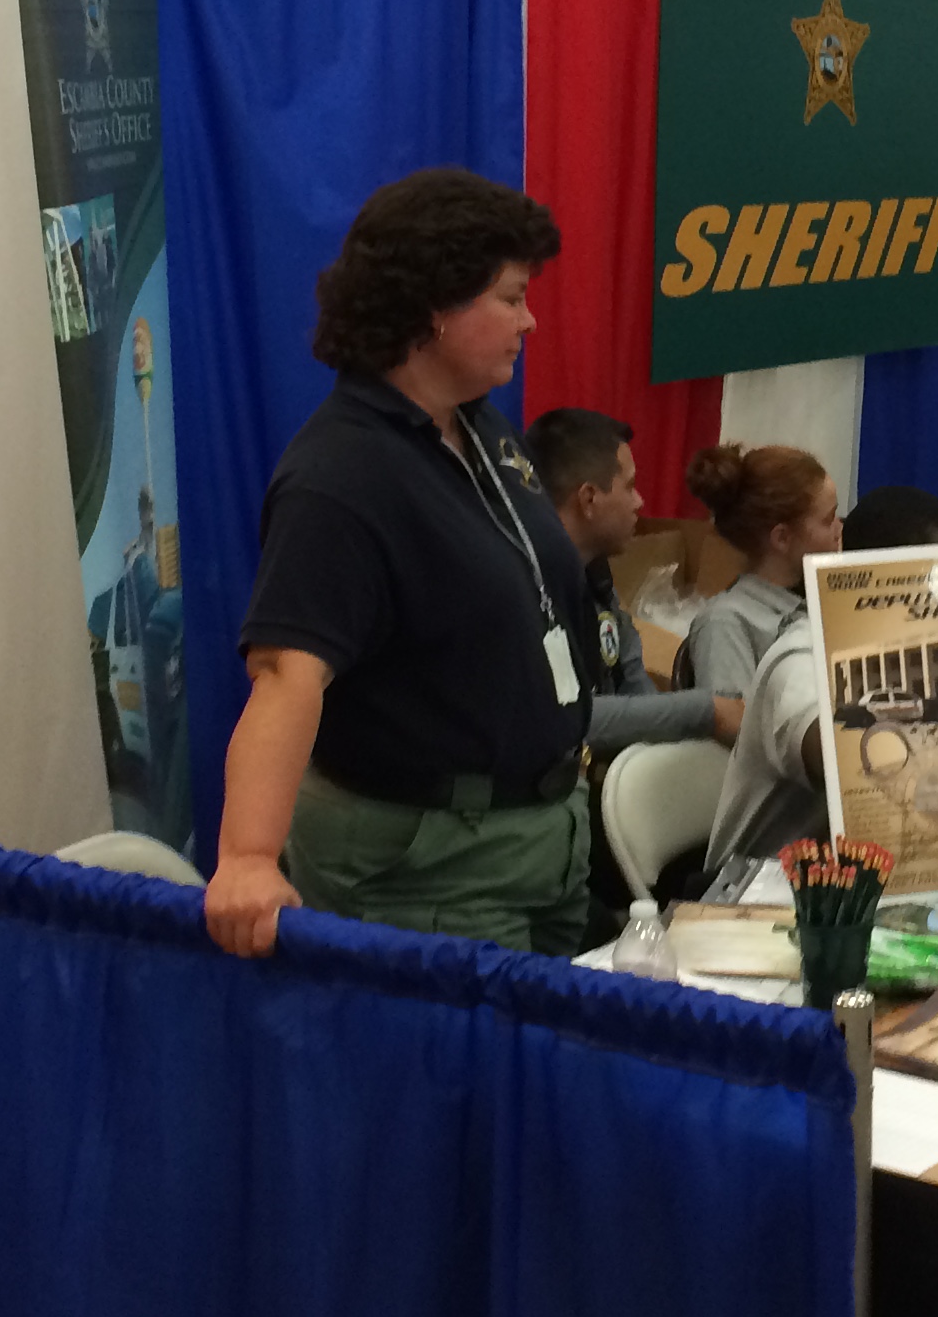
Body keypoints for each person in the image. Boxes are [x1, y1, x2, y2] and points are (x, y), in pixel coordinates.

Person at [204, 168, 596, 961]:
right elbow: (286, 675)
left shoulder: (476, 426)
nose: (530, 320)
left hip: (545, 845)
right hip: (430, 869)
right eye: (511, 297)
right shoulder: (341, 477)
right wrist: (246, 857)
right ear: (434, 309)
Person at [705, 486, 938, 869]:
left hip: (870, 869)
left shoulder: (935, 647)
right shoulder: (801, 655)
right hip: (760, 884)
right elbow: (836, 756)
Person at [527, 408, 746, 755]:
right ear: (588, 499)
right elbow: (560, 715)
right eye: (629, 486)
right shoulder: (523, 591)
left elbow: (634, 686)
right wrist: (707, 711)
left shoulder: (596, 579)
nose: (639, 502)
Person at [679, 442, 841, 697]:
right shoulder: (725, 623)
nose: (839, 529)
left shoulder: (817, 604)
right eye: (828, 520)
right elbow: (733, 719)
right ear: (782, 538)